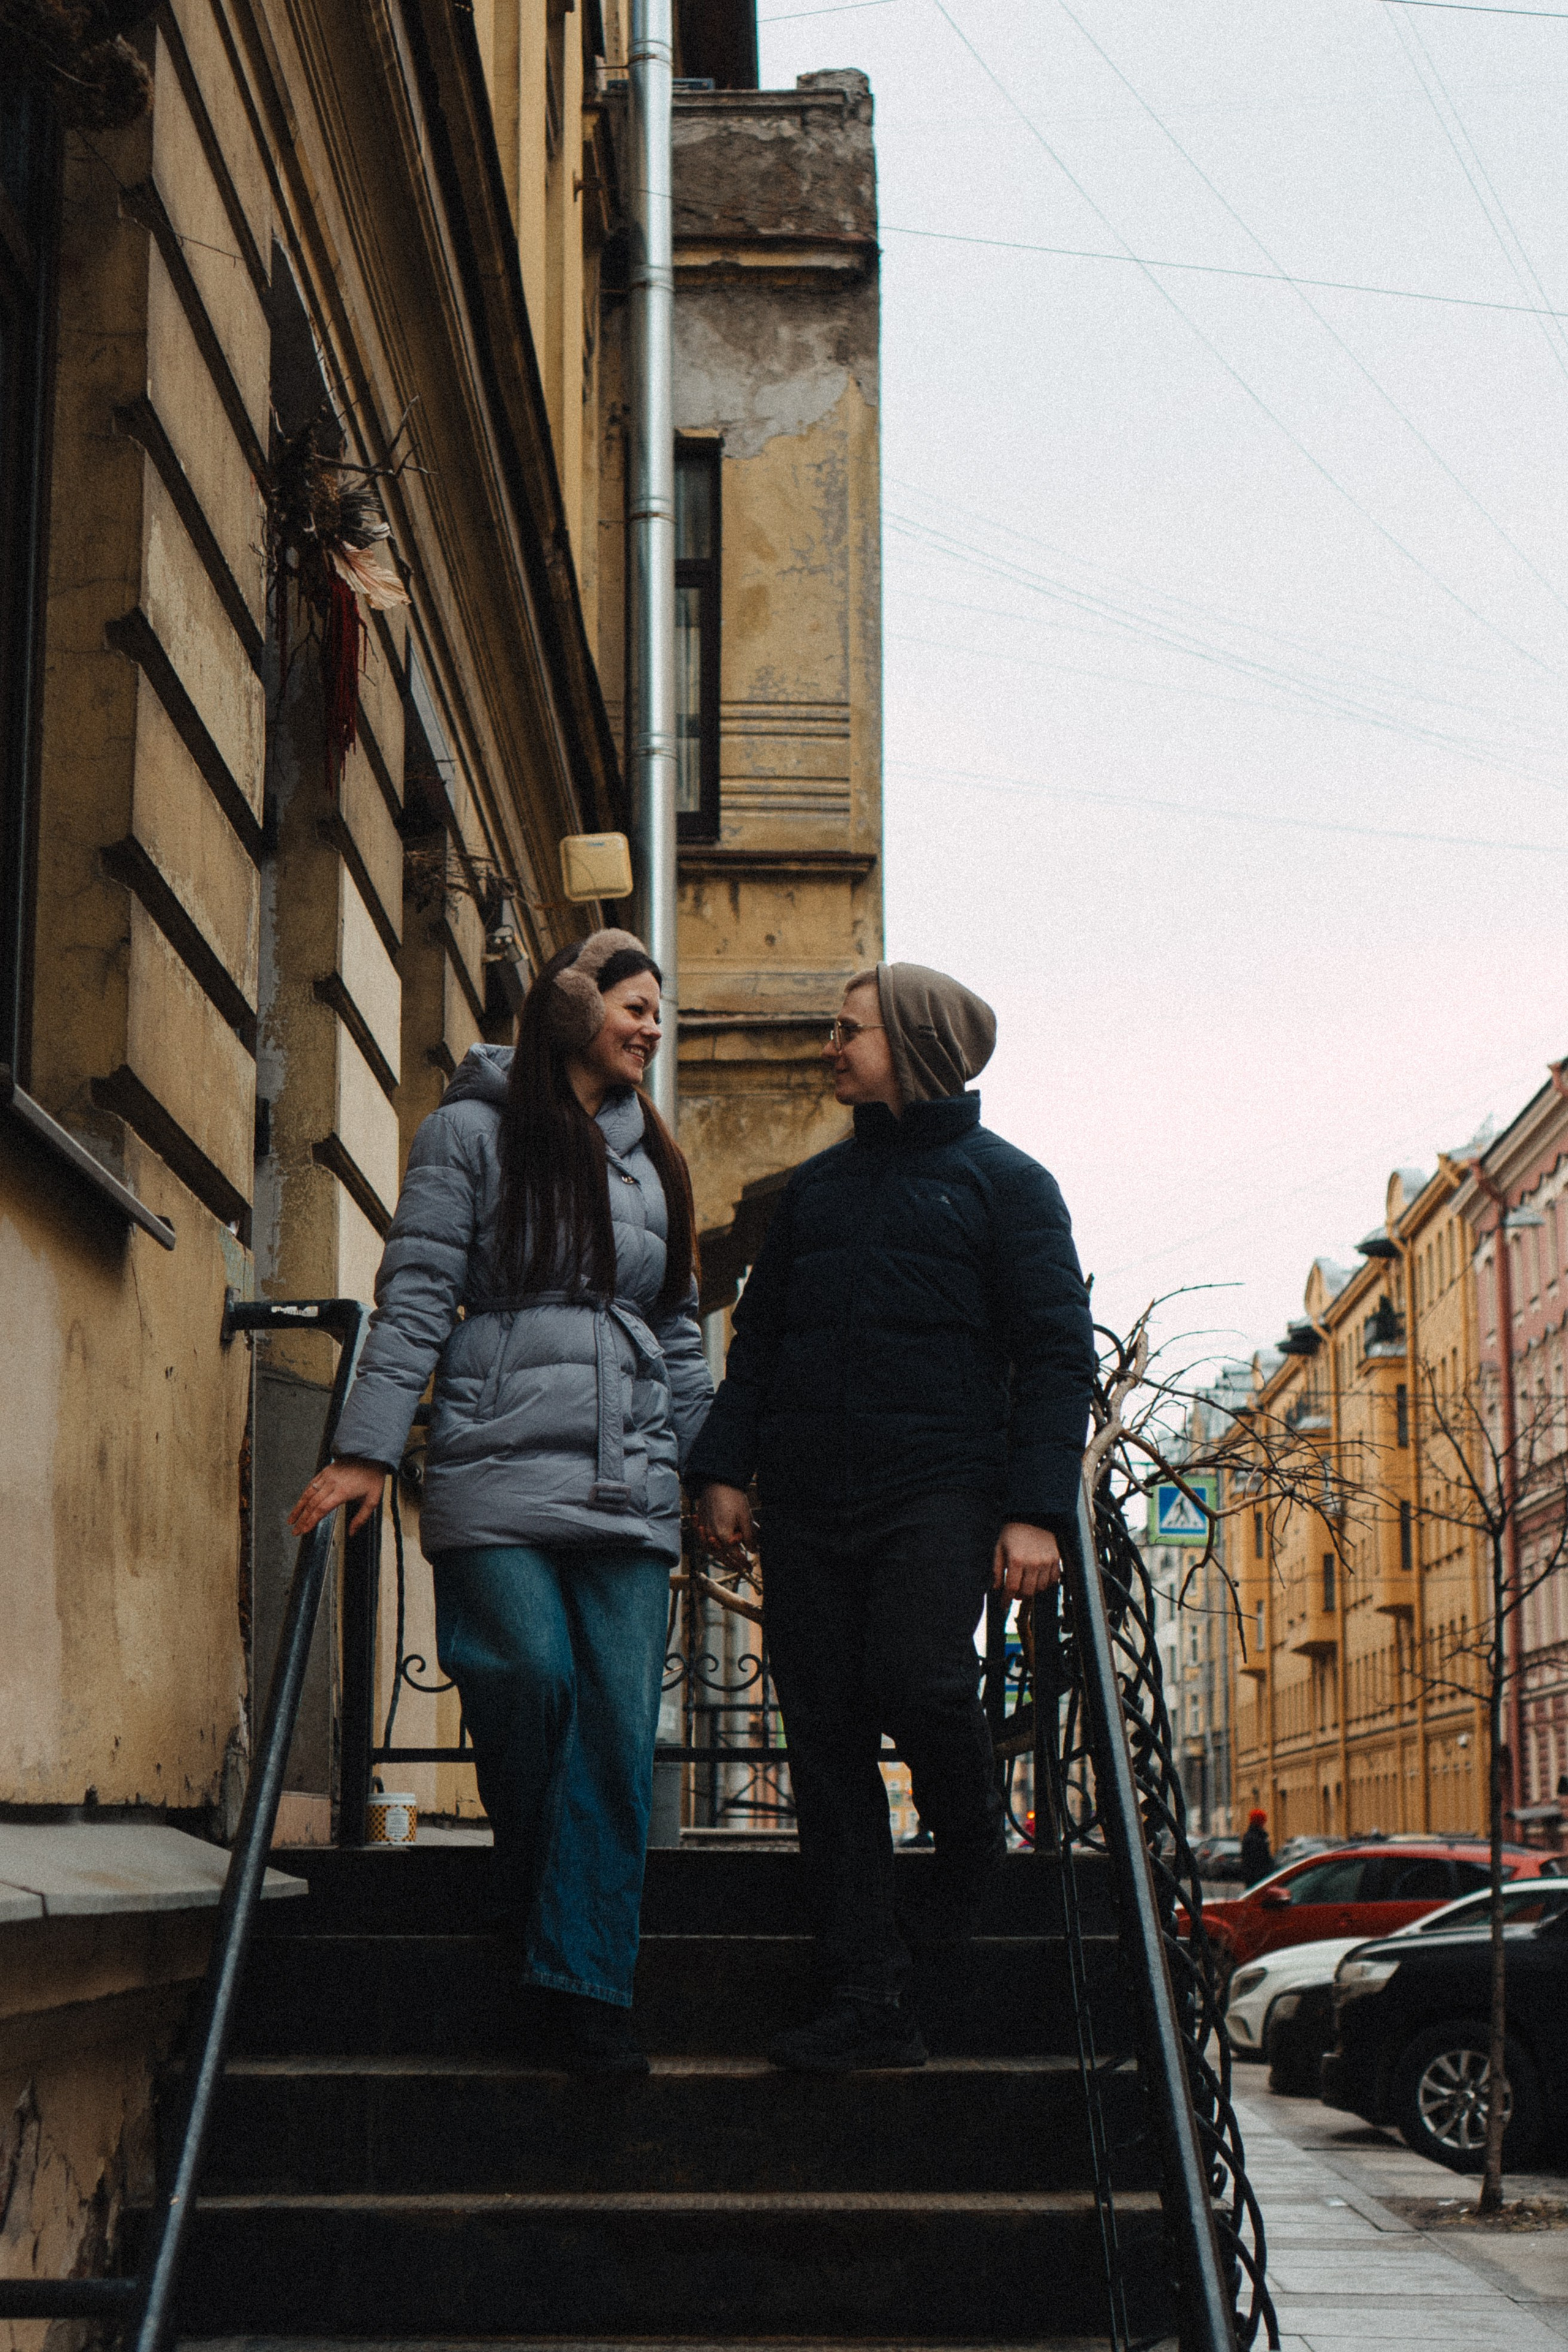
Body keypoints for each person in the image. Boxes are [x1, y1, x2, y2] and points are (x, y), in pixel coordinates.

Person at [288, 930, 711, 2074]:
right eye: (635, 1004)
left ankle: (582, 1988)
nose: (652, 1026)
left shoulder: (654, 1159)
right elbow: (417, 1294)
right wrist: (369, 1449)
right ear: (573, 1007)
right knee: (524, 1676)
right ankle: (538, 1901)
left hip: (628, 1478)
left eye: (660, 1011)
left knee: (618, 1730)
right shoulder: (467, 1133)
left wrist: (710, 1472)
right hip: (493, 1461)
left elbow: (677, 1333)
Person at [690, 961, 1096, 2071]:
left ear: (910, 1045)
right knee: (822, 1742)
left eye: (848, 1030)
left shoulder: (1008, 1186)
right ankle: (870, 1998)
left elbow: (1060, 1359)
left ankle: (969, 1840)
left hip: (939, 1493)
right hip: (811, 1502)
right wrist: (723, 1468)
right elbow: (760, 1345)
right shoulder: (815, 1193)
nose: (830, 1046)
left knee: (920, 1680)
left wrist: (1036, 1514)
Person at [1240, 1809, 1273, 1887]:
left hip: (1252, 1878)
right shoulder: (1257, 1838)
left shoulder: (1250, 1836)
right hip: (1259, 1878)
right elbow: (1259, 1860)